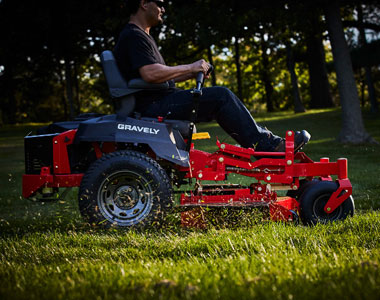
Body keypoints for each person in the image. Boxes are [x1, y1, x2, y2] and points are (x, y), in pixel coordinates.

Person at [113, 0, 310, 152]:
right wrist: (191, 66)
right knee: (221, 96)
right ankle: (268, 146)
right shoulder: (134, 35)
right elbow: (150, 74)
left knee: (219, 96)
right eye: (161, 3)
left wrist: (192, 72)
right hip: (152, 107)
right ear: (144, 3)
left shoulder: (141, 36)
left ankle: (265, 142)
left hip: (158, 100)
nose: (163, 9)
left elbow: (161, 77)